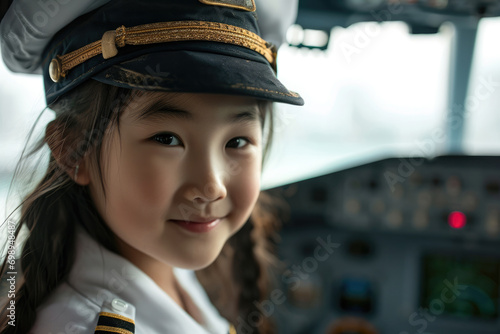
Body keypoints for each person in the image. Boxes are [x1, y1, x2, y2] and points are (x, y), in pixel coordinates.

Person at [0, 0, 303, 333]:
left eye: (237, 143)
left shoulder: (173, 274)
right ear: (74, 150)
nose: (213, 186)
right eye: (167, 139)